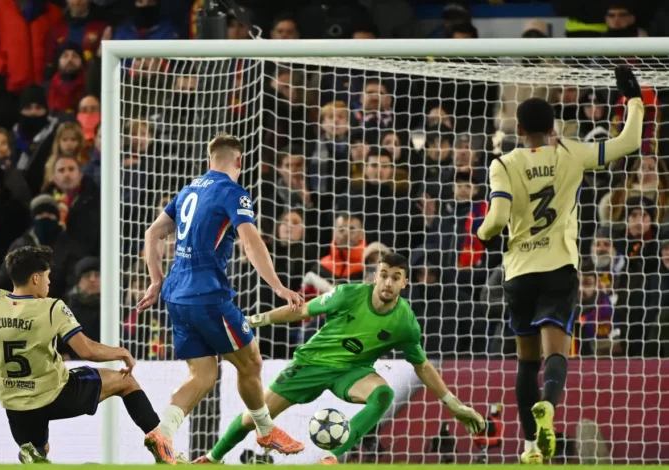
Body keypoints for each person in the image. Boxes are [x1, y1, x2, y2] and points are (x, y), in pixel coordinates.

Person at [474, 66, 644, 464]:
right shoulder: (571, 152)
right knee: (557, 354)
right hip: (559, 269)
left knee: (525, 361)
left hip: (519, 272)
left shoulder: (503, 163)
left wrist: (483, 235)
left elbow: (496, 219)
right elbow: (630, 141)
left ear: (519, 128)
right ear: (554, 128)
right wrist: (634, 99)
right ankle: (548, 405)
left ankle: (531, 446)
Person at [196, 253, 485, 464]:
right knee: (255, 417)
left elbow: (421, 365)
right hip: (311, 364)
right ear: (375, 276)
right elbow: (302, 310)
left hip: (353, 372)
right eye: (384, 275)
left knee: (383, 394)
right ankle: (212, 458)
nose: (388, 282)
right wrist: (253, 321)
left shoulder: (405, 323)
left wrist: (454, 404)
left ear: (404, 283)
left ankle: (332, 457)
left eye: (396, 278)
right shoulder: (348, 294)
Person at [0, 225, 161, 464]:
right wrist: (121, 352)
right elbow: (87, 350)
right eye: (47, 277)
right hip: (55, 394)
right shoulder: (52, 308)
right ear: (35, 278)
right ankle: (161, 446)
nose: (49, 283)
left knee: (39, 451)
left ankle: (34, 452)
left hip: (15, 403)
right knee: (126, 382)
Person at [137, 133, 305, 464]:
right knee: (251, 362)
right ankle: (266, 429)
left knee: (203, 374)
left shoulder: (188, 190)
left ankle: (162, 433)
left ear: (209, 160)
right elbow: (251, 241)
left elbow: (152, 233)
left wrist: (156, 281)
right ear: (239, 161)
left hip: (176, 295)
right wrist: (278, 287)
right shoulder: (233, 192)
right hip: (207, 294)